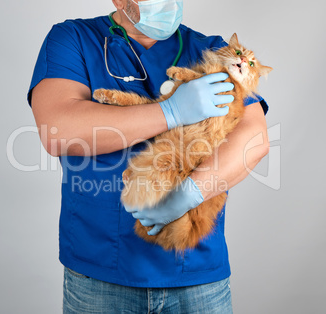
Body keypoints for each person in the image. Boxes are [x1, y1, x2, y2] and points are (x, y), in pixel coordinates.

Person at [27, 0, 270, 312]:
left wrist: (190, 194)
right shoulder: (73, 38)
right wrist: (170, 111)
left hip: (195, 273)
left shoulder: (212, 50)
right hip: (99, 271)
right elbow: (57, 129)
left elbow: (254, 138)